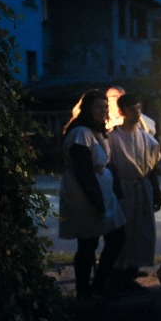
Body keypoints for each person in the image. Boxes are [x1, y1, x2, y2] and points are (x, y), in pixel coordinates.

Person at [58, 89, 126, 300]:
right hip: (84, 194)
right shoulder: (80, 133)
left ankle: (98, 283)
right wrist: (97, 201)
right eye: (98, 107)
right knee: (88, 243)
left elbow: (107, 164)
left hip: (102, 192)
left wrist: (116, 192)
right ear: (87, 109)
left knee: (117, 237)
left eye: (105, 107)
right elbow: (84, 171)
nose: (103, 111)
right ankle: (84, 290)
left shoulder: (97, 132)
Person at [107, 92, 161, 291]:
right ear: (122, 111)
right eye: (132, 109)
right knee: (125, 230)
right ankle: (119, 272)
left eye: (138, 108)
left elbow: (152, 166)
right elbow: (110, 165)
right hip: (123, 187)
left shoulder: (145, 137)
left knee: (142, 229)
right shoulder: (113, 137)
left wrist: (155, 190)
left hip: (142, 186)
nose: (136, 112)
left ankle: (133, 268)